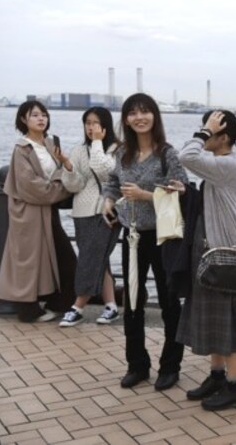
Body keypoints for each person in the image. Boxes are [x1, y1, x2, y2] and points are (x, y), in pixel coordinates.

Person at [103, 93, 189, 390]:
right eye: (133, 112)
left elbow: (183, 192)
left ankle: (170, 366)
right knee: (133, 302)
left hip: (164, 237)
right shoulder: (122, 152)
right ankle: (137, 365)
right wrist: (107, 200)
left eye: (145, 111)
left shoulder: (167, 153)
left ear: (155, 115)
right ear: (125, 119)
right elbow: (112, 181)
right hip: (133, 236)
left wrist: (146, 195)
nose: (139, 117)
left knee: (169, 304)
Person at [175, 110, 236, 411]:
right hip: (212, 250)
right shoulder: (219, 167)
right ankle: (218, 376)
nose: (205, 135)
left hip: (226, 253)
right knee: (216, 320)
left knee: (230, 320)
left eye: (210, 132)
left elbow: (186, 156)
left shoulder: (228, 164)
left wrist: (202, 133)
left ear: (224, 137)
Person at [0, 100, 74, 322]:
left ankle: (58, 301)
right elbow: (31, 186)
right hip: (29, 213)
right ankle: (28, 309)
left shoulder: (51, 144)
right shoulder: (22, 149)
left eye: (44, 114)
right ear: (23, 119)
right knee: (29, 259)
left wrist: (62, 180)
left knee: (64, 257)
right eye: (34, 115)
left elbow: (64, 170)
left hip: (48, 211)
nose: (41, 118)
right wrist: (62, 188)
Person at [56, 107, 122, 326]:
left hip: (107, 211)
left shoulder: (117, 149)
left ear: (105, 124)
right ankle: (111, 306)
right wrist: (67, 166)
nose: (91, 127)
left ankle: (78, 306)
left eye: (95, 122)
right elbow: (74, 185)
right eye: (87, 122)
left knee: (90, 259)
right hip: (82, 211)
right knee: (97, 258)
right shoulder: (78, 150)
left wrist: (96, 143)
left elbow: (105, 172)